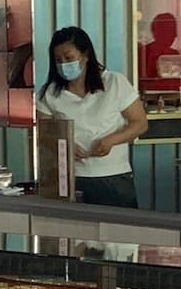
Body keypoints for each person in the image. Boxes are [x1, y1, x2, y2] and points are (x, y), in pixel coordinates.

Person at [35, 26, 149, 208]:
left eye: (69, 58)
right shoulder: (49, 93)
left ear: (85, 55)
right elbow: (43, 133)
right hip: (70, 177)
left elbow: (140, 123)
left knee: (118, 225)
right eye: (58, 60)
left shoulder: (114, 82)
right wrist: (64, 146)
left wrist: (112, 140)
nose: (64, 64)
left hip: (113, 177)